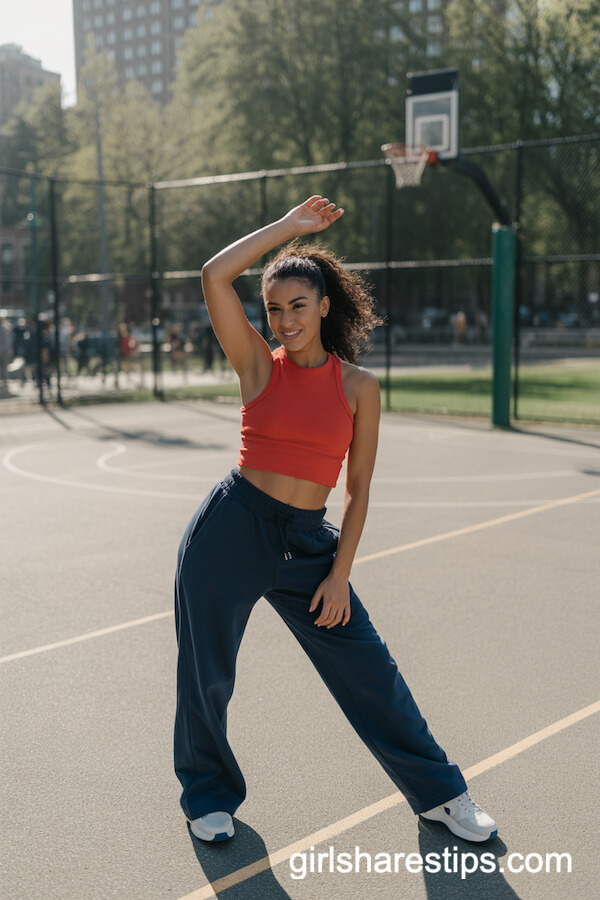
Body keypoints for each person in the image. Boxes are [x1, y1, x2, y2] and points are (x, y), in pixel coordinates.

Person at [174, 196, 497, 845]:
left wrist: (340, 573)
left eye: (298, 305)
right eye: (273, 308)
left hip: (308, 543)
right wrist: (289, 228)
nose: (285, 319)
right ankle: (208, 796)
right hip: (232, 526)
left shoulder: (359, 387)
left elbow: (359, 487)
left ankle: (441, 794)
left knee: (371, 672)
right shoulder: (258, 365)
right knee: (205, 672)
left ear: (324, 305)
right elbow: (213, 274)